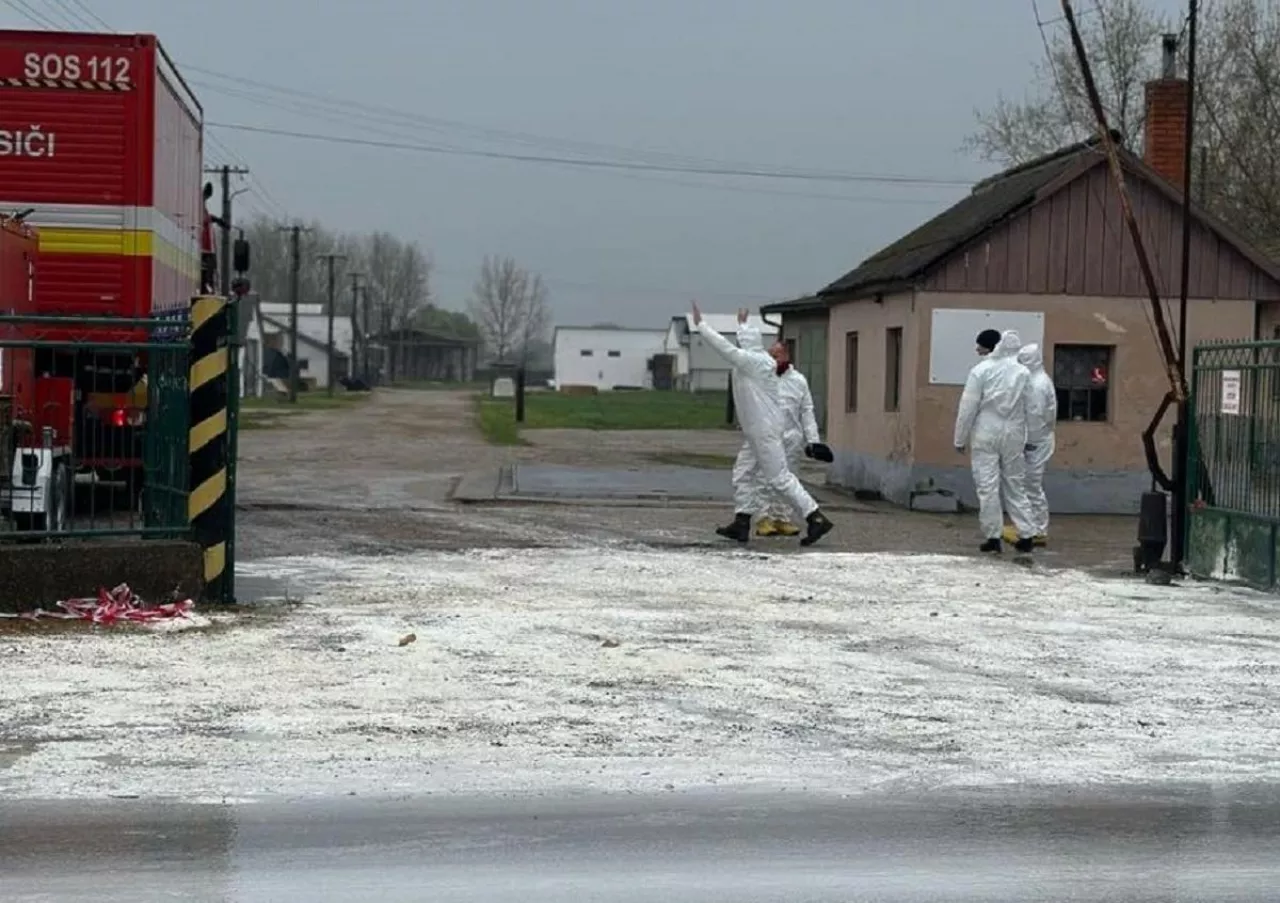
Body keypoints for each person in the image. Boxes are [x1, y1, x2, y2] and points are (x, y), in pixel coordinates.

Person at [691, 302, 833, 546]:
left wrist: (701, 325)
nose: (739, 343)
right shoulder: (752, 361)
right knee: (743, 472)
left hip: (765, 431)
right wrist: (743, 323)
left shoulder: (754, 362)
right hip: (757, 431)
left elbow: (725, 348)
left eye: (741, 339)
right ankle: (742, 521)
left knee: (779, 478)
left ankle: (815, 517)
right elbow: (740, 347)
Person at [953, 328, 1037, 554]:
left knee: (987, 486)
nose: (976, 348)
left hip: (986, 432)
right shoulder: (1023, 373)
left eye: (980, 344)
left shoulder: (980, 371)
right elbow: (1032, 408)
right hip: (1014, 433)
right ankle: (1026, 534)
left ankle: (993, 537)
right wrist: (1031, 438)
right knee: (1015, 484)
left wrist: (960, 438)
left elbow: (968, 407)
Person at [756, 341, 823, 537]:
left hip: (791, 437)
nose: (772, 360)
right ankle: (763, 518)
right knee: (765, 478)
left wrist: (813, 440)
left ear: (786, 356)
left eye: (776, 355)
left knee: (789, 478)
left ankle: (782, 518)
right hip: (769, 435)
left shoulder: (798, 381)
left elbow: (806, 411)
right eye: (770, 355)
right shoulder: (763, 378)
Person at [1002, 343, 1057, 546]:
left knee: (1031, 486)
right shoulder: (1037, 380)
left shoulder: (1037, 386)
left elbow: (1035, 418)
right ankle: (1029, 526)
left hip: (1035, 442)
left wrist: (1024, 442)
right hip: (1037, 440)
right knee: (1027, 485)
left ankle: (1038, 530)